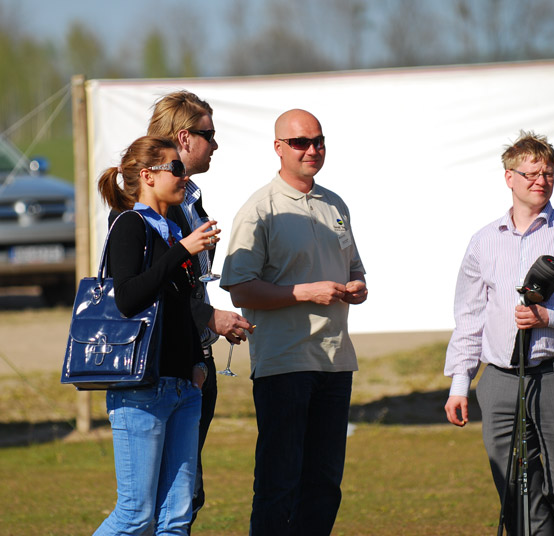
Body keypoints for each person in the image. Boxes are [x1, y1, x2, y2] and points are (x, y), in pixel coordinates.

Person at [443, 131, 554, 535]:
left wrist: (549, 316)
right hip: (500, 381)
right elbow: (469, 317)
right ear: (509, 177)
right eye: (532, 173)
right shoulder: (483, 241)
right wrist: (459, 384)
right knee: (514, 485)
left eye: (549, 174)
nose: (541, 181)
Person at [220, 109, 368, 536]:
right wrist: (304, 292)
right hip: (284, 363)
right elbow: (240, 290)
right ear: (278, 148)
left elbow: (355, 268)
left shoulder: (334, 203)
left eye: (318, 141)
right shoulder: (259, 210)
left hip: (335, 361)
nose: (312, 150)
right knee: (279, 484)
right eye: (301, 142)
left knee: (324, 486)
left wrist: (357, 287)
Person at [94, 135, 221, 536]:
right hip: (141, 388)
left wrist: (198, 363)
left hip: (183, 386)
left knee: (176, 519)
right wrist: (182, 251)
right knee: (135, 515)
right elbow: (128, 298)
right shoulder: (129, 225)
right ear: (148, 176)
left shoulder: (171, 230)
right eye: (176, 168)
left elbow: (181, 305)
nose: (184, 176)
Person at [145, 90, 254, 528]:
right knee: (166, 499)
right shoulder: (151, 208)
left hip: (195, 358)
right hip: (167, 364)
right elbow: (148, 288)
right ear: (184, 138)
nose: (215, 144)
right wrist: (209, 317)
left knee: (185, 494)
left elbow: (187, 282)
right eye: (209, 135)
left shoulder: (189, 198)